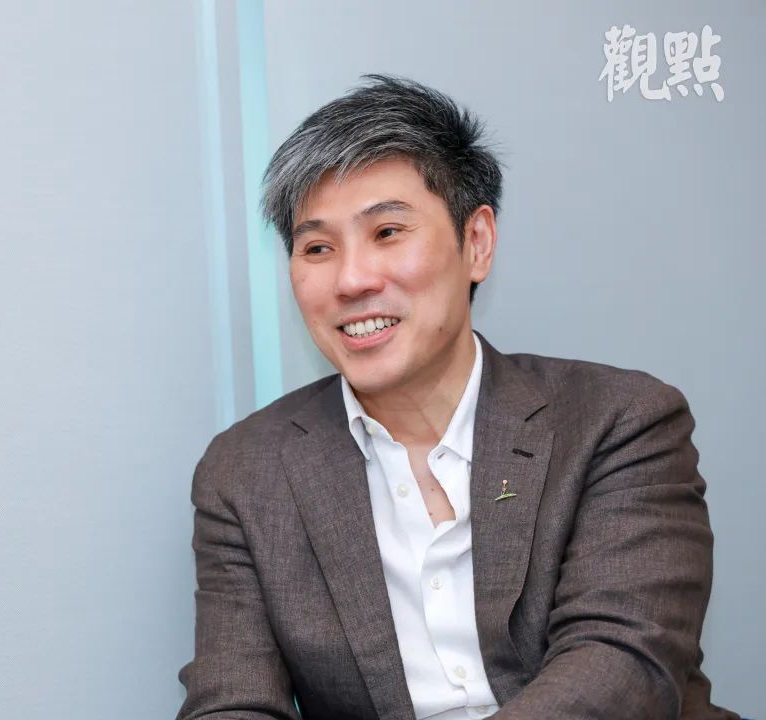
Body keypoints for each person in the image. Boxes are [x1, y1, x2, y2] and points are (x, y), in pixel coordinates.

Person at [176, 75, 736, 720]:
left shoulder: (617, 421)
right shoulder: (247, 473)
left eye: (388, 232)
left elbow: (621, 666)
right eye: (318, 248)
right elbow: (233, 701)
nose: (352, 280)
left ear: (477, 243)